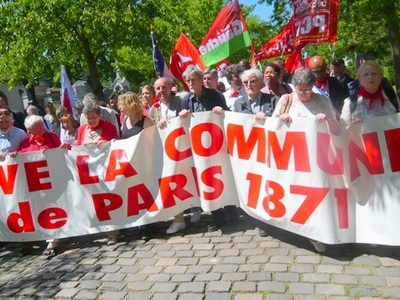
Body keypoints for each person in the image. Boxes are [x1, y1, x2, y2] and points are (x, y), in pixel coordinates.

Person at [272, 68, 339, 252]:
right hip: (293, 158)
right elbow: (272, 127)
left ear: (313, 86)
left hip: (318, 159)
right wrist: (281, 118)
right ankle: (302, 228)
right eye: (300, 89)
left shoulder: (322, 101)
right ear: (294, 87)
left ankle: (317, 232)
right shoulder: (286, 100)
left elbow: (337, 128)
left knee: (316, 194)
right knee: (297, 193)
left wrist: (326, 120)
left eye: (307, 89)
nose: (304, 93)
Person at [180, 65, 238, 233]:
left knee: (223, 179)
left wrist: (221, 111)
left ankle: (232, 216)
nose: (190, 83)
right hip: (200, 150)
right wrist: (181, 116)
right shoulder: (186, 100)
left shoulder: (215, 95)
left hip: (217, 146)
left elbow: (227, 116)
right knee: (208, 182)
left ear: (200, 81)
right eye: (187, 80)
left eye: (193, 80)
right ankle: (217, 217)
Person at [18, 115, 67, 256]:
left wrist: (63, 148)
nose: (42, 128)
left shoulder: (52, 137)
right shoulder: (25, 144)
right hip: (37, 184)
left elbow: (63, 151)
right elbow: (21, 162)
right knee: (44, 210)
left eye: (42, 124)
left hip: (55, 180)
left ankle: (53, 240)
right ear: (29, 130)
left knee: (56, 206)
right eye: (38, 126)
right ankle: (50, 237)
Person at [76, 101, 120, 244]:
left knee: (108, 199)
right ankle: (100, 228)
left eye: (94, 117)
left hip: (105, 169)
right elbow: (78, 147)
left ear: (100, 116)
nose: (91, 120)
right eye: (88, 118)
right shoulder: (82, 129)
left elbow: (116, 143)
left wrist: (106, 143)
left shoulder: (109, 127)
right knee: (94, 200)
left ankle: (113, 231)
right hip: (89, 171)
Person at [340, 61, 398, 129]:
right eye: (366, 74)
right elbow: (342, 130)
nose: (370, 77)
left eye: (374, 73)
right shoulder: (350, 103)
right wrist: (352, 127)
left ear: (381, 77)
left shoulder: (391, 96)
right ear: (359, 79)